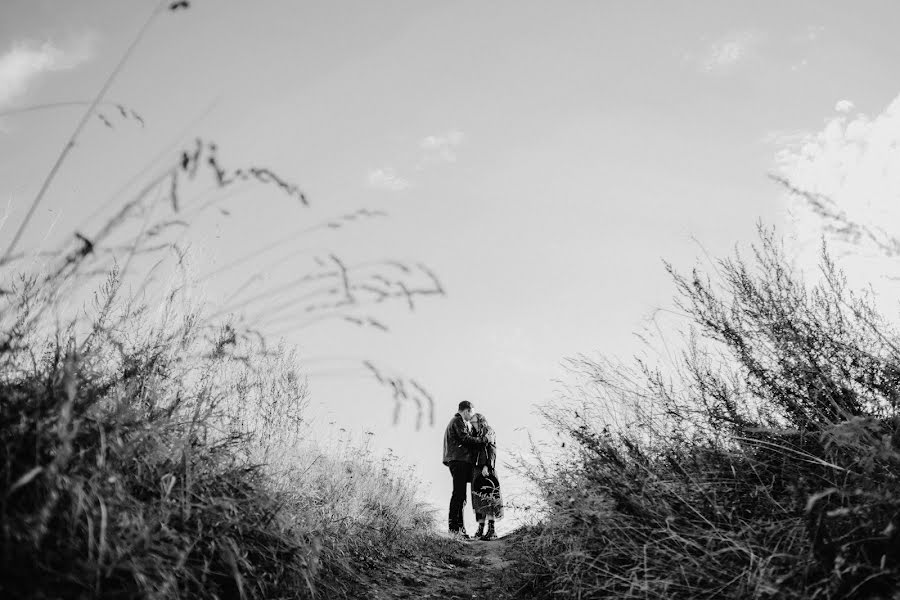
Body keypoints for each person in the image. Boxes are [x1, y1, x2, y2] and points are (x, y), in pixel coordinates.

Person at [442, 400, 481, 537]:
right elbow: (465, 439)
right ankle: (454, 529)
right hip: (458, 461)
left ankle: (460, 529)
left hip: (458, 460)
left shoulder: (457, 422)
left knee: (461, 496)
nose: (471, 418)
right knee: (458, 495)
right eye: (471, 414)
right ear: (467, 410)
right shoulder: (457, 421)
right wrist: (482, 441)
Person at [469, 413, 503, 540]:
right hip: (476, 470)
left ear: (480, 421)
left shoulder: (489, 431)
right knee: (478, 500)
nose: (472, 425)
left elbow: (492, 450)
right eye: (471, 423)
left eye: (474, 422)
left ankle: (491, 530)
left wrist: (487, 466)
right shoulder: (474, 434)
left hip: (486, 470)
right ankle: (480, 529)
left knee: (489, 498)